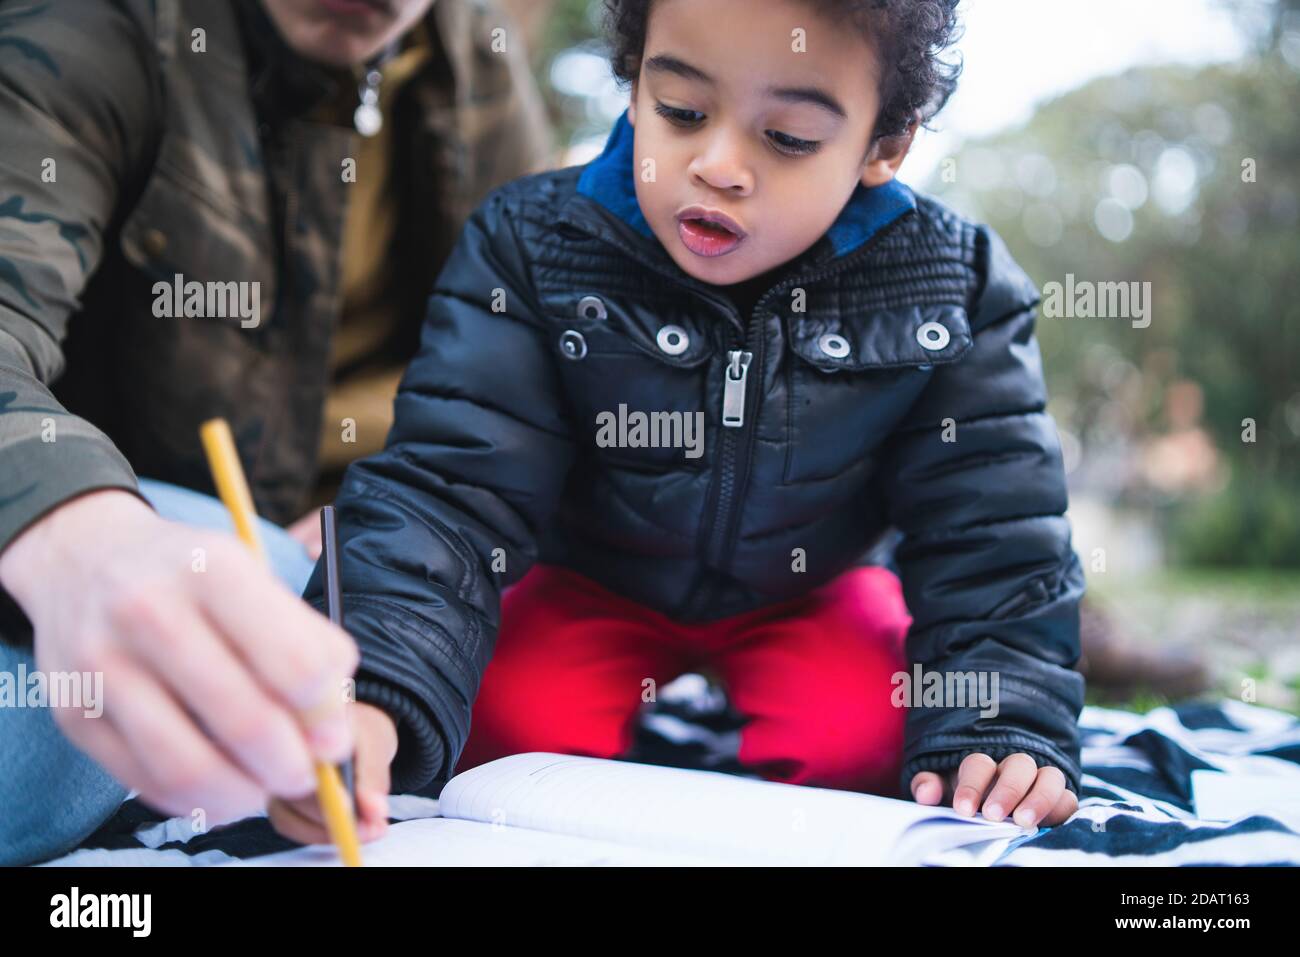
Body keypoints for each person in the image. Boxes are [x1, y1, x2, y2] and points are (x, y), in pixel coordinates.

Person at [288, 0, 1088, 846]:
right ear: (634, 91)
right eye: (680, 112)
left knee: (877, 742)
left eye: (787, 138)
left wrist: (1002, 724)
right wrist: (370, 693)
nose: (718, 165)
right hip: (586, 577)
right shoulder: (529, 243)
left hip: (812, 586)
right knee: (494, 725)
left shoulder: (954, 286)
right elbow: (447, 490)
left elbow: (993, 534)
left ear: (884, 146)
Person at [0, 0, 551, 865]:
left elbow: (519, 389)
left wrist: (374, 512)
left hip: (348, 550)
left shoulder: (475, 61)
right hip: (107, 527)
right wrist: (72, 530)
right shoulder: (92, 29)